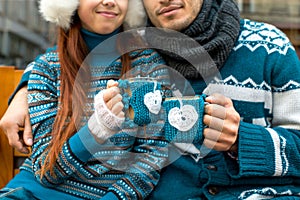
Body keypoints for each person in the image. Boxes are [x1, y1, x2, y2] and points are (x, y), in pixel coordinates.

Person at [1, 0, 300, 199]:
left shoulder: (268, 46)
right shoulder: (142, 54)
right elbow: (71, 59)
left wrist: (242, 140)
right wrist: (25, 88)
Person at [0, 0, 169, 199]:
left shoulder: (147, 65)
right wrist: (97, 130)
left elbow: (151, 157)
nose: (109, 2)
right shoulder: (48, 67)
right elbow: (45, 172)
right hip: (36, 192)